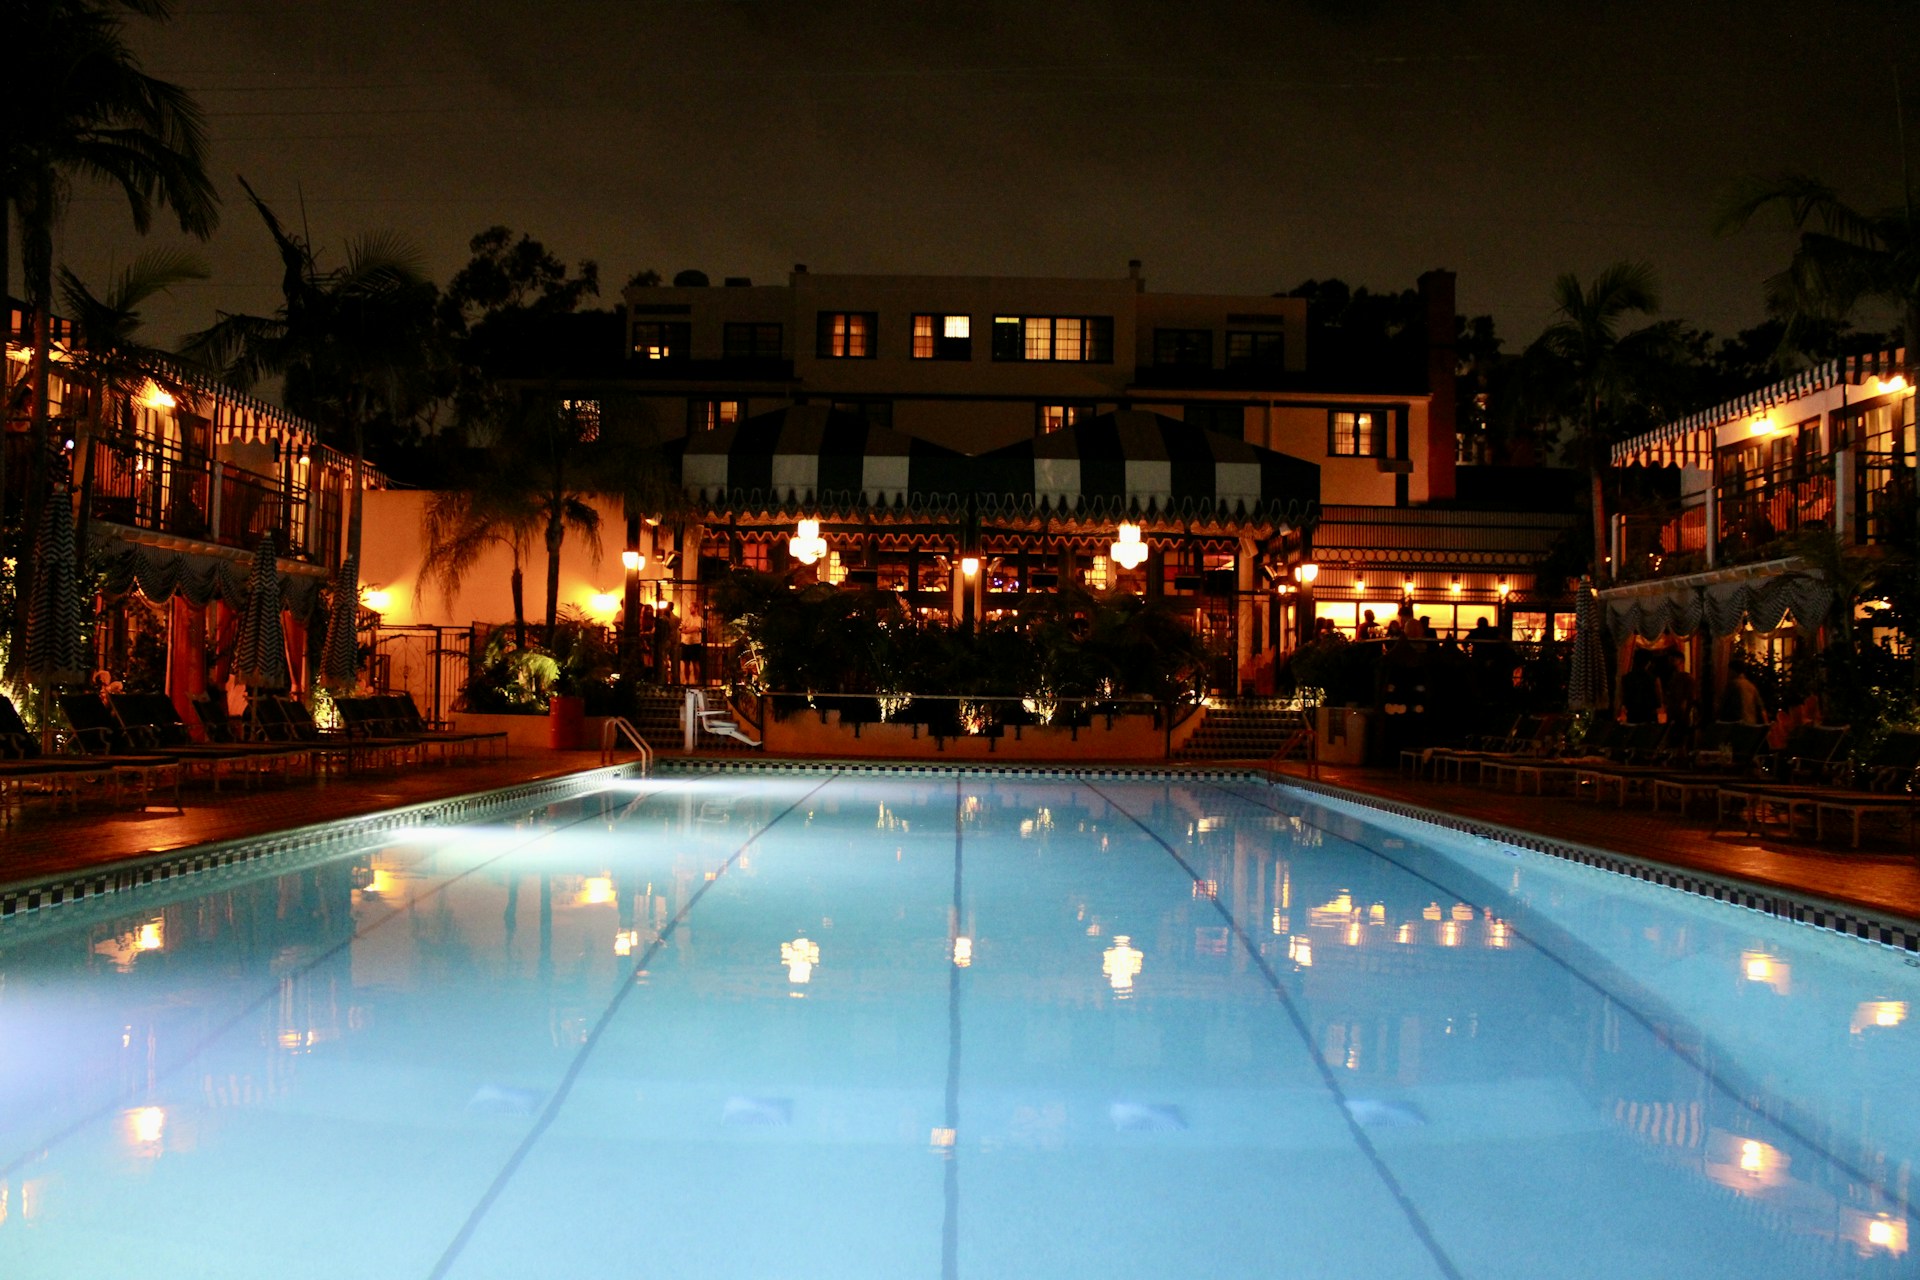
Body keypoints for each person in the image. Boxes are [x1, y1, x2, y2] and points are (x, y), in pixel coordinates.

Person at [1620, 650, 1662, 724]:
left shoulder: (1627, 678)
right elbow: (1659, 700)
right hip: (1649, 714)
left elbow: (1623, 697)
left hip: (1633, 713)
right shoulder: (1653, 679)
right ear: (1648, 662)